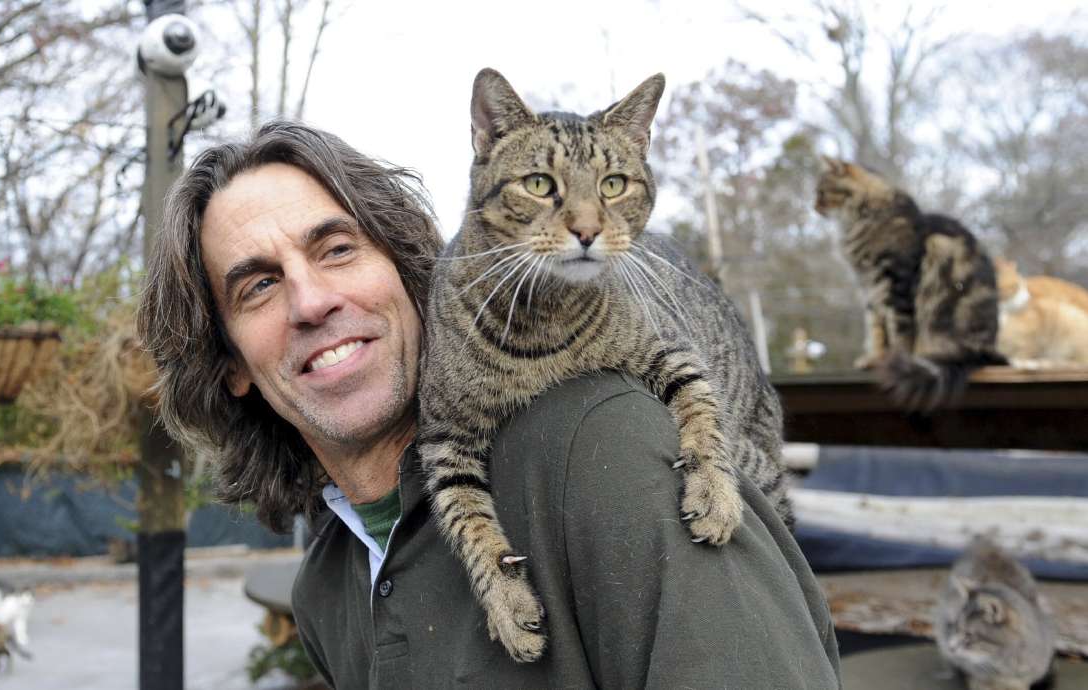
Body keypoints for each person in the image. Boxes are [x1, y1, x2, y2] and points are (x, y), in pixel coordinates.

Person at [137, 121, 841, 689]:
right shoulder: (327, 587)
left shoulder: (608, 447)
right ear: (229, 363)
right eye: (257, 287)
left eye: (339, 249)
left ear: (407, 271)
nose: (312, 301)